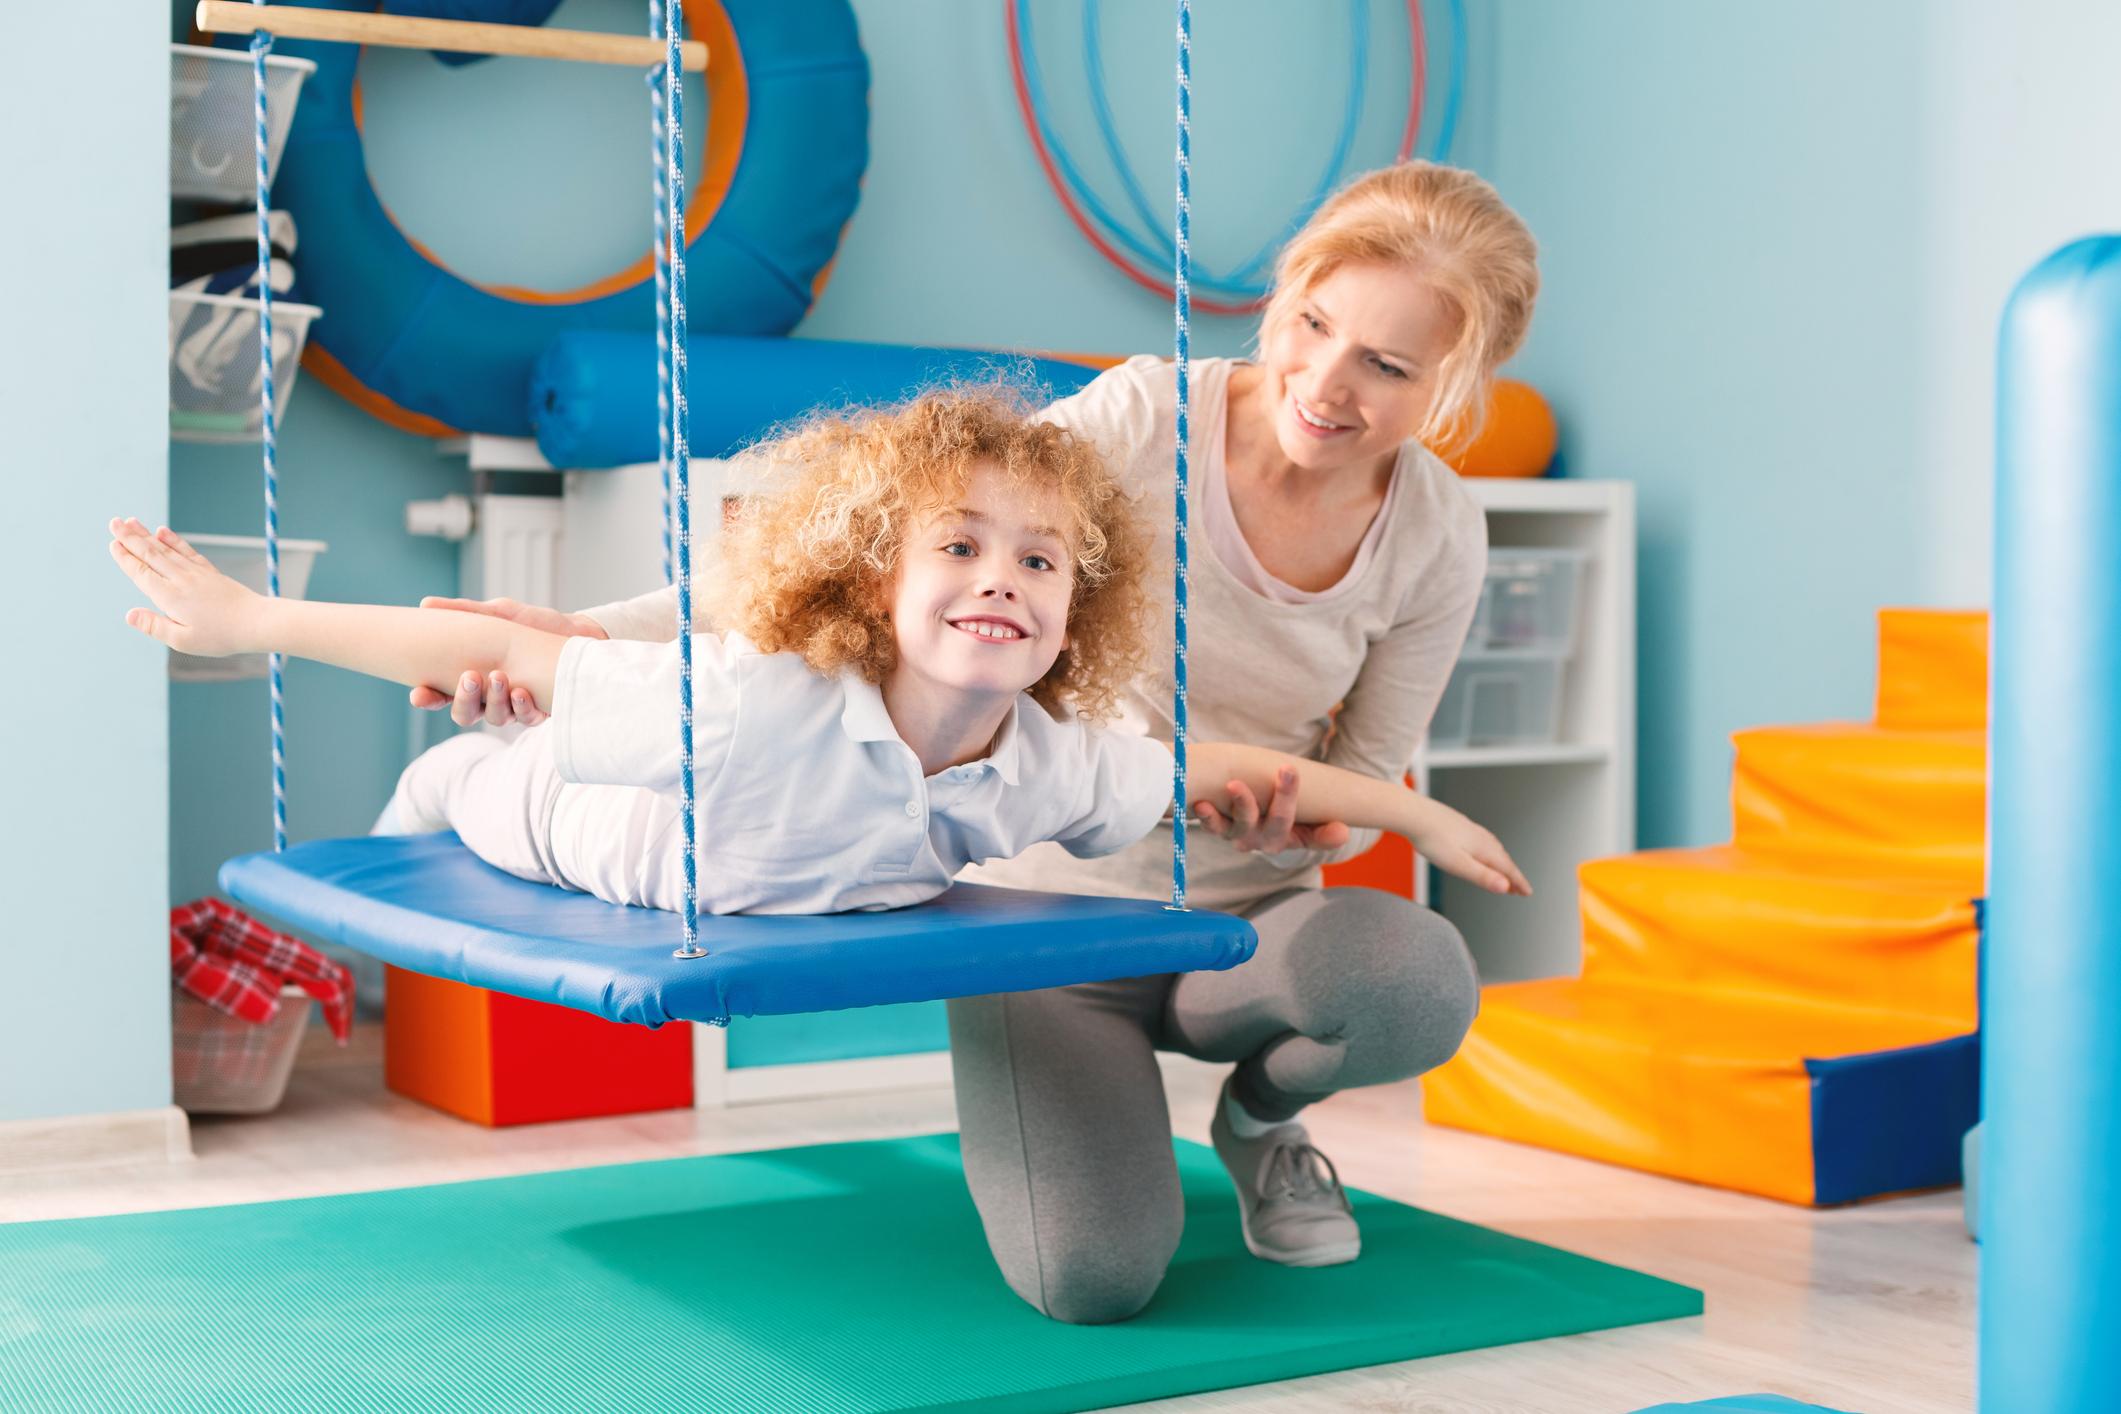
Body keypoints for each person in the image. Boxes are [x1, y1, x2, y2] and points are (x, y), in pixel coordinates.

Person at [405, 162, 1541, 1319]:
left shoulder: (1440, 533)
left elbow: (1364, 775)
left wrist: (1315, 819)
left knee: (1416, 980)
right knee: (1093, 1279)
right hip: (1044, 919)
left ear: (1454, 382)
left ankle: (1259, 1121)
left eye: (1386, 367)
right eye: (1312, 324)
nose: (1324, 381)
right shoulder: (1148, 419)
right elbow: (868, 561)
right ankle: (1084, 1121)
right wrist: (583, 631)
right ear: (1287, 297)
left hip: (1247, 926)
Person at [108, 392, 1528, 920]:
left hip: (757, 857)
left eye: (1038, 562)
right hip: (582, 830)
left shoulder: (1050, 761)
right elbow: (489, 645)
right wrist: (251, 621)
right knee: (484, 774)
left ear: (1076, 607)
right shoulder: (755, 699)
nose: (1001, 582)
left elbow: (1225, 765)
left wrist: (1417, 809)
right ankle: (432, 795)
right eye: (958, 549)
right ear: (874, 581)